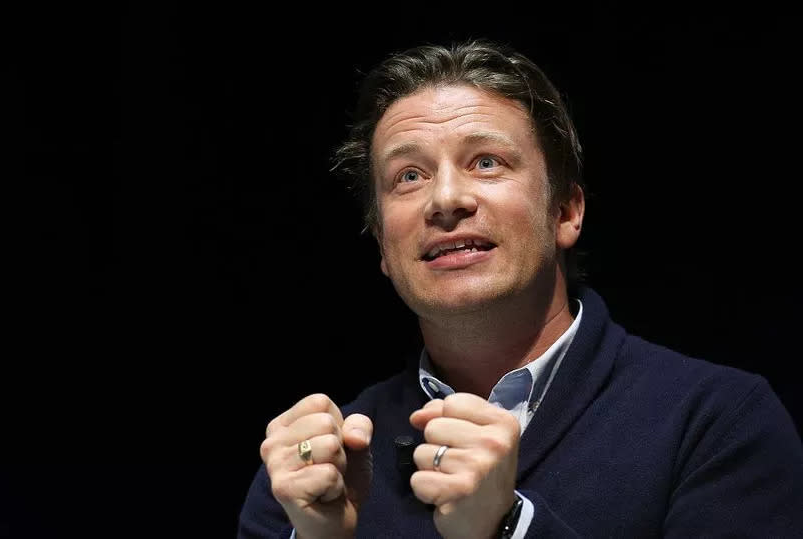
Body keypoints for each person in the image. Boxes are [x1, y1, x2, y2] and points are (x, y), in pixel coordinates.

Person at [238, 40, 803, 538]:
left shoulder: (718, 424)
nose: (446, 200)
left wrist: (507, 527)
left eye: (486, 162)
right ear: (383, 246)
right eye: (408, 176)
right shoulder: (310, 467)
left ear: (565, 211)